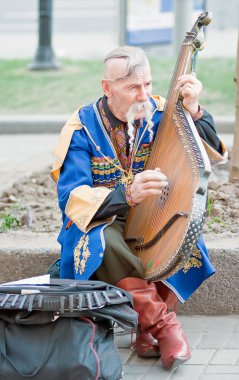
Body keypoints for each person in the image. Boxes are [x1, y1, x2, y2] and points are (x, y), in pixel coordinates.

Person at [51, 46, 227, 370]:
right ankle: (163, 326)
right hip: (104, 220)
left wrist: (193, 109)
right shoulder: (82, 127)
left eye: (147, 84)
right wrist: (126, 194)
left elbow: (210, 152)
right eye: (133, 87)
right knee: (105, 243)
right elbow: (71, 198)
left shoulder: (162, 111)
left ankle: (146, 330)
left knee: (187, 233)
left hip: (153, 214)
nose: (143, 94)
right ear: (107, 87)